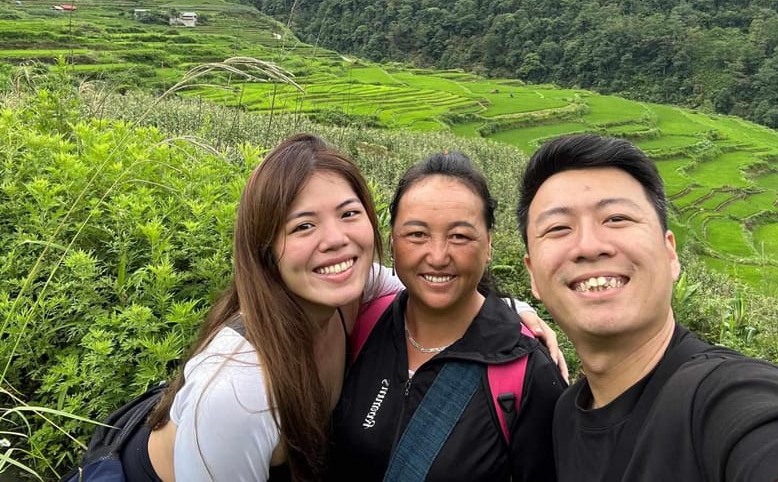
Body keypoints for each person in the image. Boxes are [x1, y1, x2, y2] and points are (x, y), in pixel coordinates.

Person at [109, 134, 560, 482]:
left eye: (348, 214)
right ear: (266, 248)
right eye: (303, 225)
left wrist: (511, 311)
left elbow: (432, 281)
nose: (336, 240)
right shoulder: (240, 390)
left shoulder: (352, 295)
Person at [517, 133, 778, 482]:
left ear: (670, 253)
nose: (588, 245)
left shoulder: (716, 395)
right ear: (533, 277)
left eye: (616, 218)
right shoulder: (566, 417)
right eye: (558, 228)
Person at [328, 151, 567, 481]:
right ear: (392, 242)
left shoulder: (526, 373)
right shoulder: (363, 322)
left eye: (460, 236)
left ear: (488, 245)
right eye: (417, 234)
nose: (438, 256)